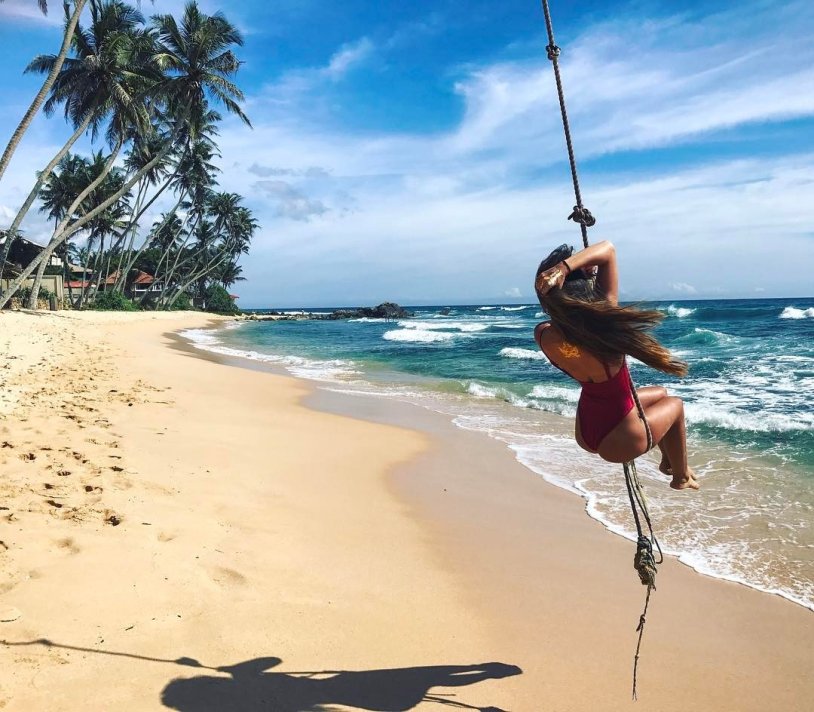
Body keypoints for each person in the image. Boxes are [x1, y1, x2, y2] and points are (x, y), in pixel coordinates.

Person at [533, 240, 699, 490]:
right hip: (620, 440)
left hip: (587, 431)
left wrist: (557, 278)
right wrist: (565, 268)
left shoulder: (544, 334)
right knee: (675, 405)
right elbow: (608, 249)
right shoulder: (605, 331)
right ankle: (681, 477)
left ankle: (668, 461)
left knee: (660, 394)